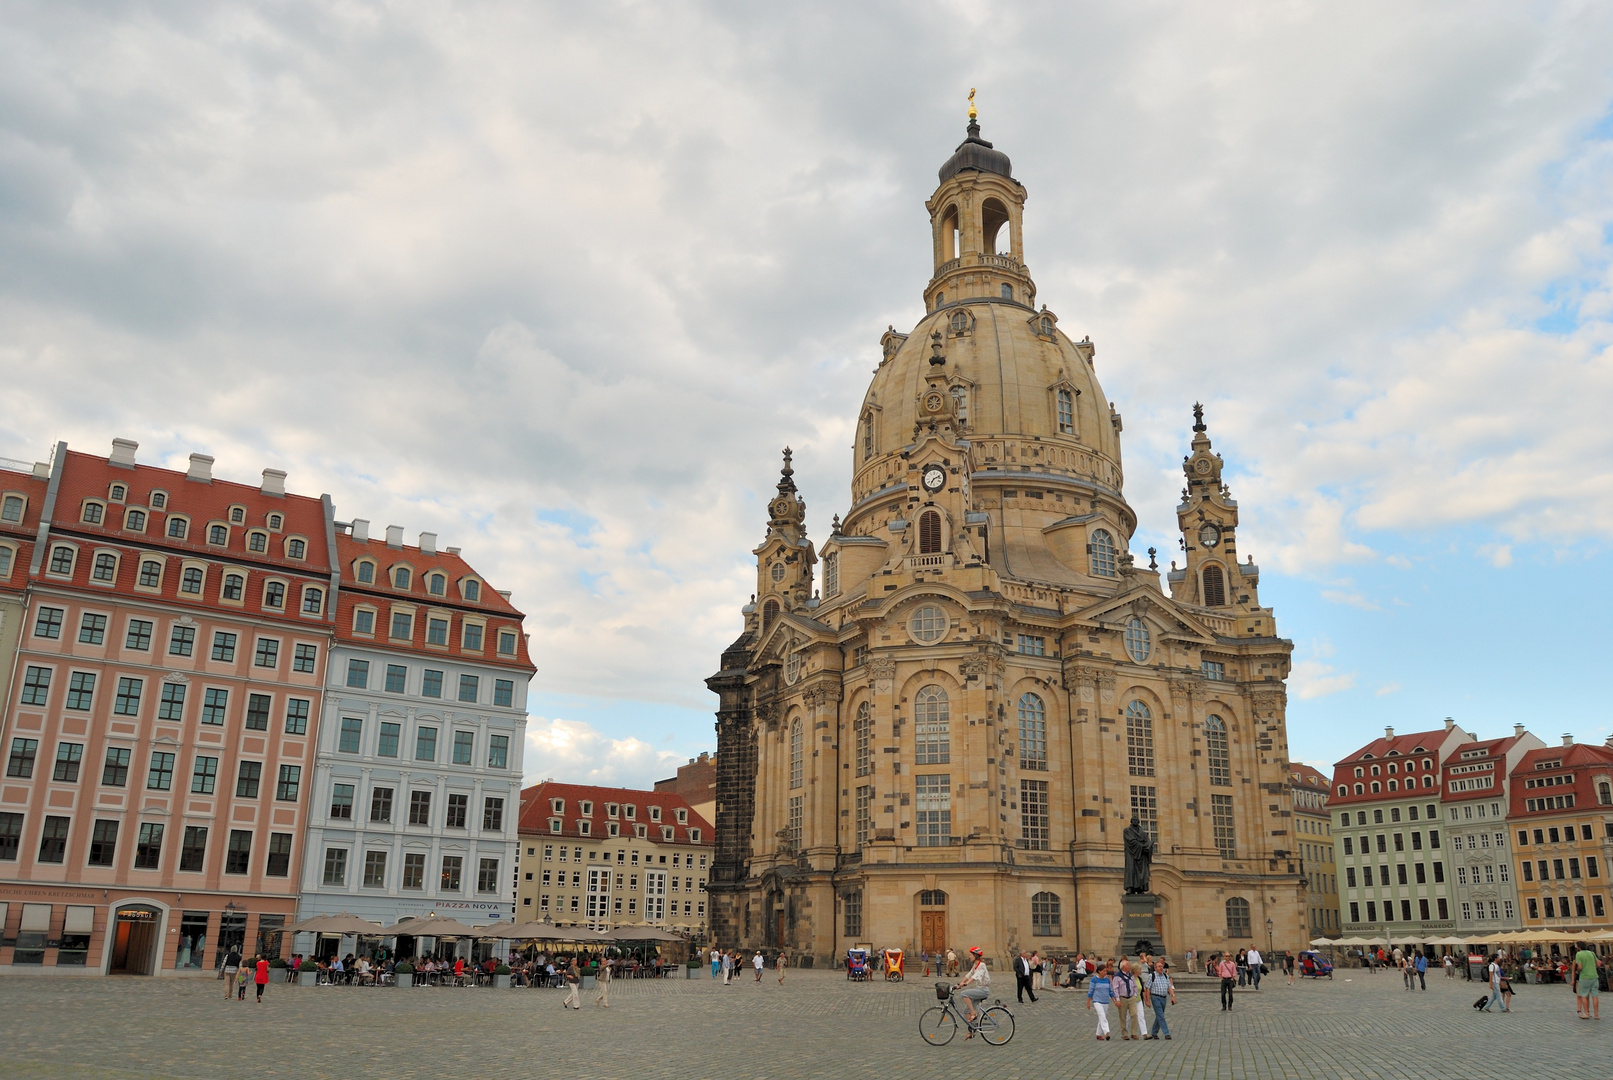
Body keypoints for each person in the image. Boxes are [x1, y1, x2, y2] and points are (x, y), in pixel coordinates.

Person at [955, 946, 991, 1031]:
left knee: (964, 994)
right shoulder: (975, 965)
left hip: (983, 990)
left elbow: (975, 976)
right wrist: (960, 984)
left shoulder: (981, 965)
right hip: (979, 989)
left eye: (971, 955)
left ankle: (973, 1013)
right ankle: (972, 1031)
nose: (969, 956)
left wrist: (966, 984)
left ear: (975, 955)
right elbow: (969, 975)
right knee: (966, 1011)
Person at [1143, 959, 1176, 1040]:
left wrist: (1173, 996)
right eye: (1159, 967)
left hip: (1164, 998)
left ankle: (1154, 1032)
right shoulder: (1151, 976)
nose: (1161, 968)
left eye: (1162, 966)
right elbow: (1147, 988)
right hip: (1155, 997)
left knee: (1159, 1015)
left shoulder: (1166, 976)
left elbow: (1169, 986)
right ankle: (1166, 1033)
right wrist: (1147, 1000)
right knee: (1161, 1015)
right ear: (1155, 968)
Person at [1112, 959, 1143, 1039]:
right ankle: (1124, 1033)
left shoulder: (1131, 975)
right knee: (1123, 1016)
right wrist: (1117, 1000)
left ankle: (1133, 1032)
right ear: (1123, 967)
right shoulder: (1117, 976)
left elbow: (1134, 985)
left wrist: (1135, 994)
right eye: (1128, 965)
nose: (1130, 966)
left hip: (1131, 997)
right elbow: (1115, 988)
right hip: (1122, 998)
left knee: (1134, 1014)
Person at [1086, 961, 1114, 1040]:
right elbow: (1090, 991)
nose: (1105, 972)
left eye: (1106, 971)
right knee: (1102, 1016)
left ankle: (1098, 1034)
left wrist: (1114, 1000)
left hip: (1105, 1001)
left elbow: (1110, 991)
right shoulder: (1094, 979)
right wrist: (1088, 1002)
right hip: (1097, 1000)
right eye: (1104, 971)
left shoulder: (1108, 980)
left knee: (1102, 1017)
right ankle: (1106, 1032)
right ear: (1099, 971)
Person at [1574, 942, 1600, 1019]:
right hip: (1594, 976)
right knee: (1595, 996)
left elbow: (1580, 967)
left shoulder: (1579, 954)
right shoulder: (1592, 953)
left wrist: (1577, 971)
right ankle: (1596, 1014)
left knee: (1584, 995)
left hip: (1585, 976)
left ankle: (1586, 1013)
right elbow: (1598, 964)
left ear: (1579, 947)